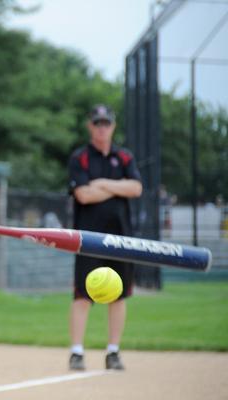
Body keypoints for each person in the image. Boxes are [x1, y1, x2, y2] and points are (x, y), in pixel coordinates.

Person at [67, 104, 142, 371]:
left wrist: (102, 184)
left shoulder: (124, 157)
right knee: (82, 295)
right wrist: (117, 188)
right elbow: (84, 195)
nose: (102, 127)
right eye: (97, 123)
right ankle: (76, 352)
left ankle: (113, 351)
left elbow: (135, 187)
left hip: (121, 238)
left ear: (113, 126)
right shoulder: (80, 158)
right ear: (90, 126)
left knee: (118, 296)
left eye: (106, 123)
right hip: (87, 238)